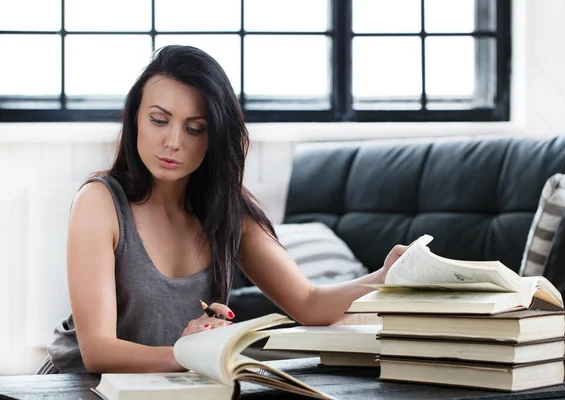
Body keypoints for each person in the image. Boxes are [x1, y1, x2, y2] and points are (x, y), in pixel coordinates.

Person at [36, 45, 408, 374]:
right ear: (135, 119)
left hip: (170, 385)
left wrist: (381, 277)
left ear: (215, 136)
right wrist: (192, 354)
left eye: (195, 129)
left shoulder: (229, 212)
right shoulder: (100, 202)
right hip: (79, 388)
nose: (173, 142)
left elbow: (309, 303)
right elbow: (98, 351)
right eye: (159, 120)